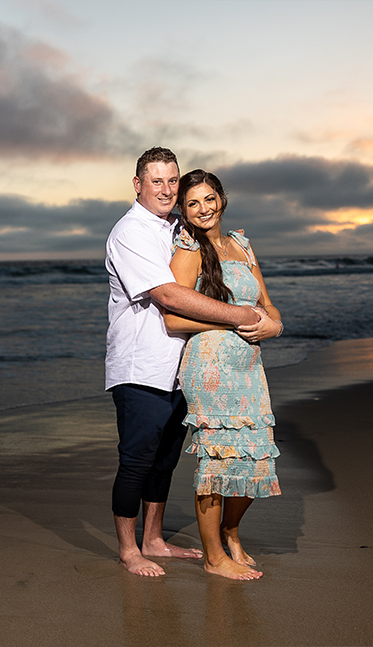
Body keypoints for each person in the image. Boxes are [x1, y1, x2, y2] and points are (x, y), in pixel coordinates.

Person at [105, 148, 261, 577]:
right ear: (138, 185)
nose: (167, 189)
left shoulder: (176, 225)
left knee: (166, 460)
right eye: (156, 181)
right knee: (137, 459)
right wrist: (241, 316)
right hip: (141, 367)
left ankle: (154, 539)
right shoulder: (130, 232)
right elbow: (169, 295)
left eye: (172, 181)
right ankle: (128, 549)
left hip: (180, 369)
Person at [163, 169, 283, 581]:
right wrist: (229, 324)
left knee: (254, 455)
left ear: (222, 199)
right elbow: (174, 318)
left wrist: (275, 325)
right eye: (193, 203)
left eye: (209, 199)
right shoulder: (188, 247)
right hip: (209, 369)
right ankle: (214, 558)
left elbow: (267, 303)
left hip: (249, 369)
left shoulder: (242, 244)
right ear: (183, 209)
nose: (203, 209)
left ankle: (231, 531)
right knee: (217, 462)